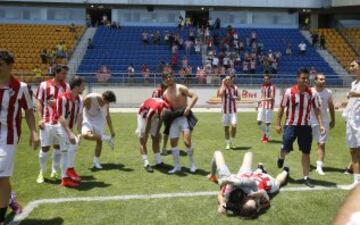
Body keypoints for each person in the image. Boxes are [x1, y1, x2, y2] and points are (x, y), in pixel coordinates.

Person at [0, 50, 39, 225]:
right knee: (2, 178)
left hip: (7, 136)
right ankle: (10, 198)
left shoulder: (20, 88)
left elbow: (29, 111)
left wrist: (34, 131)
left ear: (10, 66)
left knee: (1, 177)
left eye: (0, 64)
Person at [276, 68, 325, 187]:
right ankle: (281, 156)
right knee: (286, 149)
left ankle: (306, 177)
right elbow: (282, 108)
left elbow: (317, 109)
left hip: (305, 126)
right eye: (303, 78)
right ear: (297, 78)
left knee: (306, 152)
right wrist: (277, 124)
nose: (305, 80)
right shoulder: (289, 92)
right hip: (291, 125)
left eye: (307, 78)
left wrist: (321, 124)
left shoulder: (312, 93)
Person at [208, 151, 289, 218]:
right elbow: (252, 185)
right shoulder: (259, 195)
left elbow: (221, 194)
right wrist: (260, 194)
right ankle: (285, 171)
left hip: (245, 176)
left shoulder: (235, 198)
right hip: (265, 181)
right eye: (252, 197)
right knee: (278, 182)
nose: (249, 196)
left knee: (218, 153)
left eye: (247, 198)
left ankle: (260, 168)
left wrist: (222, 204)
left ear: (241, 203)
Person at [35, 65, 70, 184]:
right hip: (47, 122)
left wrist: (58, 102)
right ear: (56, 73)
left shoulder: (67, 86)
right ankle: (42, 172)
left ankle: (54, 171)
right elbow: (38, 101)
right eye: (63, 74)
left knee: (58, 147)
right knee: (45, 147)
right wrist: (40, 119)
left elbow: (68, 103)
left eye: (66, 74)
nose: (65, 76)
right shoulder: (44, 85)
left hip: (60, 123)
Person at [162, 73, 198, 174]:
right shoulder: (165, 94)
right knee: (173, 143)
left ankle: (192, 164)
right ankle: (177, 166)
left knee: (187, 142)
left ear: (173, 77)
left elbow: (195, 96)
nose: (169, 79)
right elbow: (165, 107)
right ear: (164, 80)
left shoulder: (180, 88)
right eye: (166, 78)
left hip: (184, 116)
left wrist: (188, 108)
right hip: (174, 118)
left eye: (170, 76)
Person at [56, 76, 85, 186]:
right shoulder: (62, 98)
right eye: (82, 86)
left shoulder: (79, 100)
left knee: (72, 147)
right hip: (59, 127)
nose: (84, 88)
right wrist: (70, 133)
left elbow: (79, 117)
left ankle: (66, 176)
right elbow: (60, 117)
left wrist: (79, 132)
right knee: (66, 150)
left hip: (69, 128)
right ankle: (69, 171)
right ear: (77, 87)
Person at [81, 91, 116, 169]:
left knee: (99, 141)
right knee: (85, 135)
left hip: (99, 119)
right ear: (102, 97)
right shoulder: (90, 97)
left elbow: (108, 117)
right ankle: (107, 138)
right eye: (106, 101)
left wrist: (112, 130)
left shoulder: (106, 104)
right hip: (88, 118)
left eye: (108, 102)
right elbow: (79, 109)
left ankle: (96, 162)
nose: (106, 103)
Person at [310, 74, 335, 175]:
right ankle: (307, 164)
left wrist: (333, 120)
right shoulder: (310, 91)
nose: (323, 81)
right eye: (321, 79)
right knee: (306, 143)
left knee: (321, 144)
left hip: (324, 121)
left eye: (324, 79)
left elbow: (331, 107)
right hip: (310, 120)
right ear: (315, 80)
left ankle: (319, 166)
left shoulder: (328, 92)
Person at [136, 98, 170, 172]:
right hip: (143, 115)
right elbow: (148, 120)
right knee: (143, 140)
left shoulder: (167, 109)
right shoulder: (154, 110)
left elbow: (161, 120)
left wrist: (157, 133)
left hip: (155, 114)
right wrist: (146, 134)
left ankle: (158, 162)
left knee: (156, 138)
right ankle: (146, 163)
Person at [342, 60, 360, 189]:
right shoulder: (354, 83)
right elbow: (352, 99)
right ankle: (356, 180)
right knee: (353, 149)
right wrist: (344, 104)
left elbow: (356, 95)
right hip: (352, 119)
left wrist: (356, 94)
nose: (351, 67)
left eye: (353, 65)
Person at [218, 76, 240, 150]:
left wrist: (235, 97)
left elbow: (239, 98)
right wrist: (222, 84)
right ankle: (228, 143)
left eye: (229, 80)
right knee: (226, 128)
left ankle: (231, 141)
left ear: (231, 80)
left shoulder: (235, 88)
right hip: (225, 111)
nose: (228, 81)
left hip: (233, 111)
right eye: (226, 80)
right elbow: (220, 94)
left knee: (234, 126)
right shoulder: (223, 88)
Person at [151, 83, 169, 156]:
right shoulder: (156, 92)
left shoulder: (168, 92)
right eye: (166, 88)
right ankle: (158, 145)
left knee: (167, 130)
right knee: (156, 132)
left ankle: (164, 148)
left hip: (166, 112)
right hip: (157, 114)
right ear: (162, 88)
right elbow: (153, 102)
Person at [257, 74, 275, 143]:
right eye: (265, 79)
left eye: (267, 79)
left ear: (269, 79)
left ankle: (266, 137)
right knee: (259, 122)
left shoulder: (272, 87)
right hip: (262, 106)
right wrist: (259, 103)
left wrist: (264, 99)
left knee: (267, 123)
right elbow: (262, 96)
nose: (266, 80)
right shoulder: (262, 86)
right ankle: (266, 134)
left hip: (269, 106)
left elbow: (272, 97)